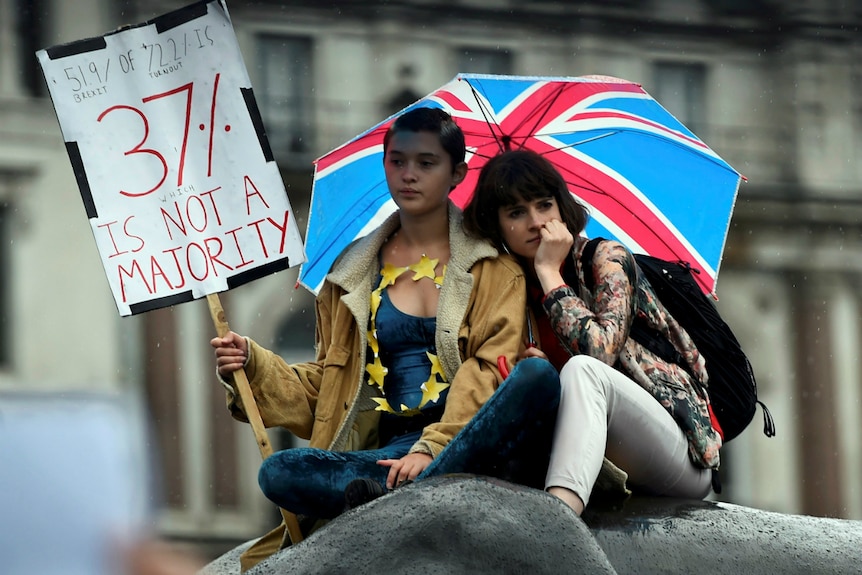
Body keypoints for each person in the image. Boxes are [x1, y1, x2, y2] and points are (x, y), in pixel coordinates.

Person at [211, 108, 557, 568]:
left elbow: (485, 372)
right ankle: (397, 488)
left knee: (535, 377)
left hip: (467, 440)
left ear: (457, 173)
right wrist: (252, 363)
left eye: (426, 163)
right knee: (280, 471)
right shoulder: (347, 277)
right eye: (397, 162)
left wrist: (432, 447)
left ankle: (419, 482)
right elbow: (327, 386)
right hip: (383, 457)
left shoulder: (495, 268)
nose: (408, 175)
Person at [462, 149, 722, 516]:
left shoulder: (607, 259)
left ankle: (558, 518)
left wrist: (551, 274)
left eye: (544, 205)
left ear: (562, 208)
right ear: (497, 226)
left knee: (583, 371)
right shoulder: (509, 290)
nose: (536, 221)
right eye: (517, 213)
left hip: (678, 449)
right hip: (599, 459)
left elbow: (598, 354)